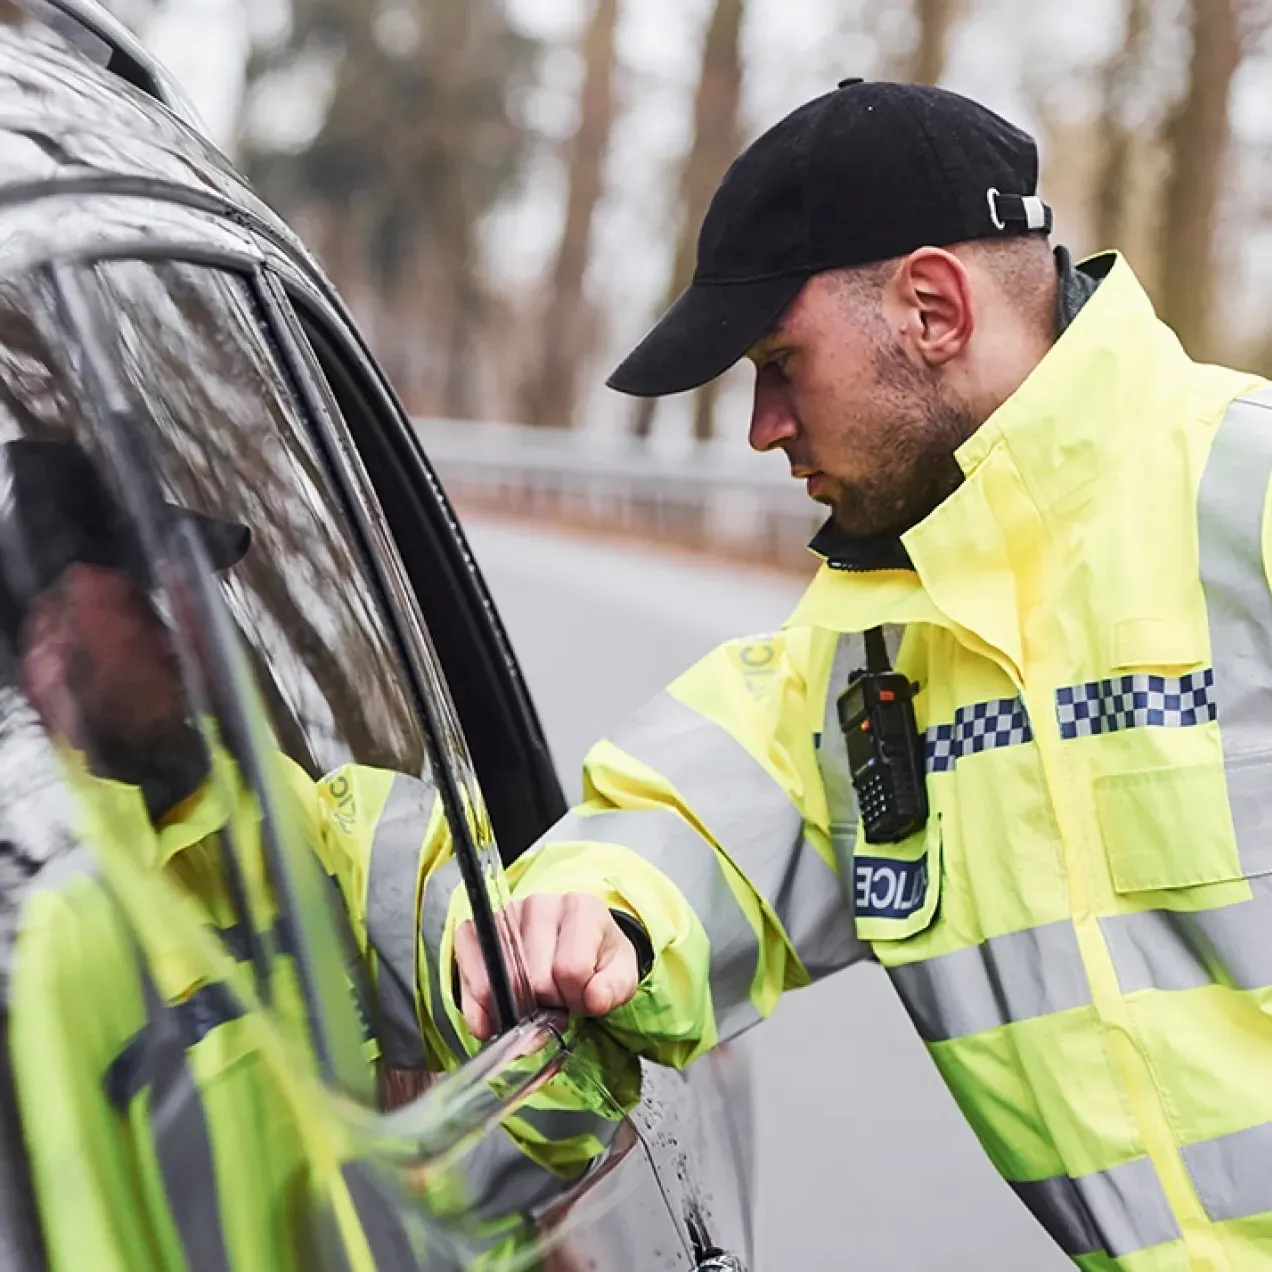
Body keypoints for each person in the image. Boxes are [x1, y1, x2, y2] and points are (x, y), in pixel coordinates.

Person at [451, 80, 1272, 1270]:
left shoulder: (1242, 490)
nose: (761, 426)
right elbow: (692, 825)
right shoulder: (863, 653)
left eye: (780, 361)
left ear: (933, 307)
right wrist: (590, 905)